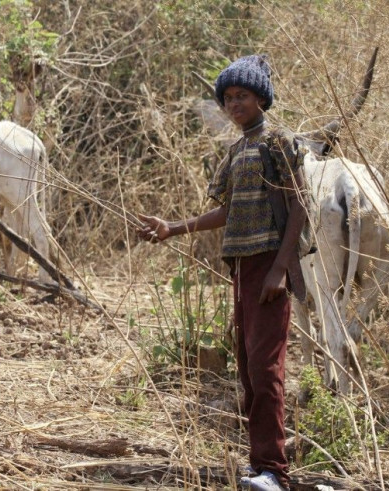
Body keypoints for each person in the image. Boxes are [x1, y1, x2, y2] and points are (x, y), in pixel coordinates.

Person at [136, 54, 308, 491]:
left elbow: (299, 206)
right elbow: (227, 210)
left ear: (261, 99)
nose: (234, 104)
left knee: (267, 370)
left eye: (243, 96)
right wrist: (173, 229)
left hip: (269, 266)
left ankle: (275, 473)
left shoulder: (278, 143)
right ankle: (258, 467)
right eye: (228, 97)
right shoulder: (236, 150)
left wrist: (280, 269)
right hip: (241, 269)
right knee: (249, 371)